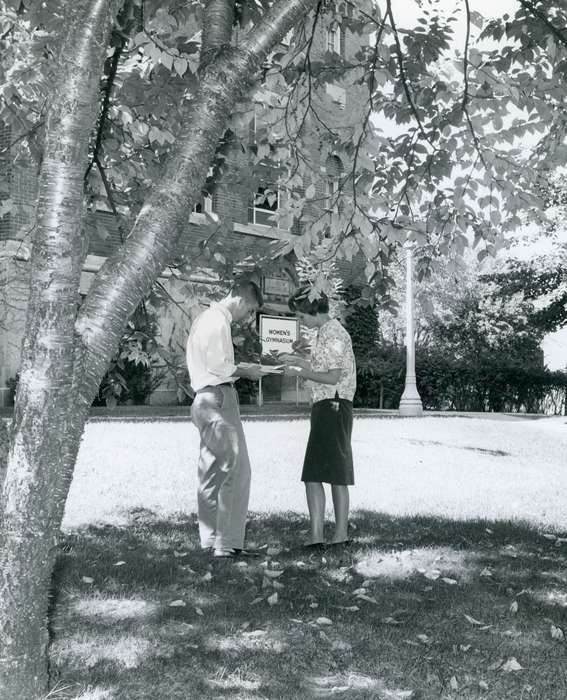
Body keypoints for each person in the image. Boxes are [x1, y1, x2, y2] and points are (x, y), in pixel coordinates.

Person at [187, 278, 275, 558]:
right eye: (249, 310)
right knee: (237, 470)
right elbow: (219, 366)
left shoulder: (204, 318)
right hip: (219, 397)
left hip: (203, 398)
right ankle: (227, 544)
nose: (247, 317)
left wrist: (241, 368)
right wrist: (246, 370)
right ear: (239, 299)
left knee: (211, 472)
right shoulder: (217, 320)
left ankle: (210, 539)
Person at [282, 285, 356, 549]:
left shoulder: (333, 333)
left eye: (302, 316)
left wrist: (300, 373)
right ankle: (333, 535)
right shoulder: (327, 333)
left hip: (332, 406)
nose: (301, 321)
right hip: (329, 406)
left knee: (320, 473)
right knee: (327, 472)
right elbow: (323, 368)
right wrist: (298, 363)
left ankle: (326, 536)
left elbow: (333, 377)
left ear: (312, 310)